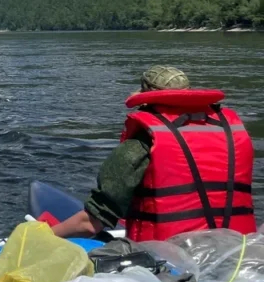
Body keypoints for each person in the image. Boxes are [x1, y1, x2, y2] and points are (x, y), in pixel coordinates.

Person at [52, 66, 256, 242]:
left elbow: (90, 224)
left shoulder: (142, 141)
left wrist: (45, 235)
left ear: (146, 99)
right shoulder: (230, 132)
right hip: (236, 250)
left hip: (169, 257)